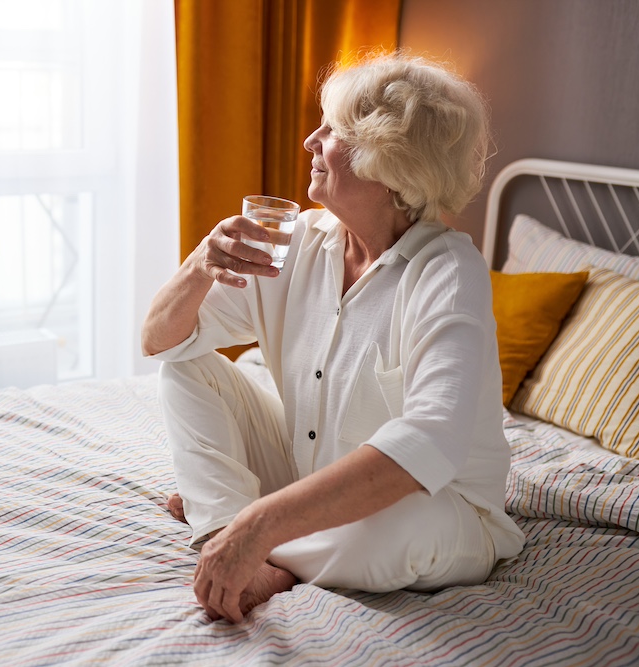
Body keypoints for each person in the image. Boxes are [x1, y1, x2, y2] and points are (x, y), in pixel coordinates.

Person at [141, 53, 525, 624]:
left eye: (334, 130)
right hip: (310, 476)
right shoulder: (295, 241)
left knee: (398, 530)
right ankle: (227, 532)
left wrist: (259, 523)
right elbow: (161, 343)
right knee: (188, 368)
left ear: (390, 162)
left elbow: (426, 446)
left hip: (439, 506)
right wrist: (201, 263)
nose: (310, 141)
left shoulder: (447, 273)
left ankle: (240, 531)